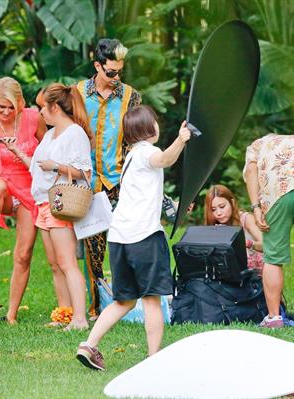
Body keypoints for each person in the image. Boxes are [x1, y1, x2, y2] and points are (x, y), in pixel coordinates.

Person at [77, 106, 191, 370]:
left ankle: (88, 345)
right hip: (143, 237)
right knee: (152, 299)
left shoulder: (131, 157)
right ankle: (153, 359)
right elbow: (164, 160)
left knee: (124, 300)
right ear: (150, 128)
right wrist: (181, 139)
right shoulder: (148, 152)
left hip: (119, 238)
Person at [10, 83, 93, 330]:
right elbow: (39, 167)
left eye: (42, 107)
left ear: (55, 107)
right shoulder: (50, 134)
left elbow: (85, 173)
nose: (40, 113)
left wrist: (57, 166)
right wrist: (17, 152)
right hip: (42, 204)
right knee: (55, 263)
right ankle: (64, 314)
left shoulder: (74, 133)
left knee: (67, 261)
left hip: (60, 202)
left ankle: (80, 319)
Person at [0, 77, 47, 324]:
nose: (5, 112)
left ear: (20, 103)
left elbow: (49, 149)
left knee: (24, 254)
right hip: (2, 188)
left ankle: (12, 315)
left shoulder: (33, 118)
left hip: (30, 190)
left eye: (10, 107)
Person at [76, 38, 142, 319]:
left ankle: (125, 303)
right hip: (87, 183)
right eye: (111, 72)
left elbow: (136, 138)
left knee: (125, 244)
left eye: (120, 72)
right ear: (97, 66)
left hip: (120, 181)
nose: (116, 78)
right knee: (93, 249)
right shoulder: (78, 92)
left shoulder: (131, 96)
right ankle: (94, 308)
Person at [244, 134, 294, 328]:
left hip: (278, 193)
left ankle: (274, 318)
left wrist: (256, 207)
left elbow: (250, 172)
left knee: (273, 256)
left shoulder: (255, 147)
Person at [203, 184, 264, 274]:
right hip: (229, 276)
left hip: (255, 275)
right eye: (213, 209)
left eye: (222, 206)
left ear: (232, 203)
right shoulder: (214, 226)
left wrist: (244, 243)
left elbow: (265, 245)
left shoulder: (246, 219)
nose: (219, 213)